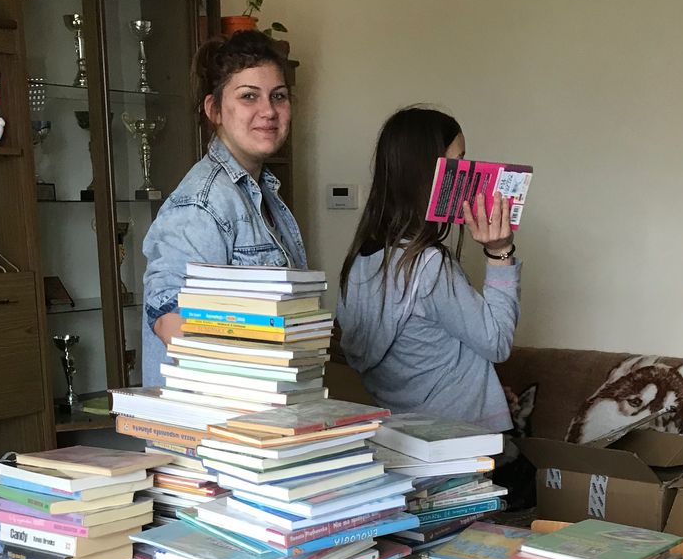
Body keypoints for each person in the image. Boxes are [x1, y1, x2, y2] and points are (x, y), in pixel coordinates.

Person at [335, 106, 520, 430]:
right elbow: (497, 342)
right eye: (459, 162)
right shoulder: (427, 265)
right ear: (429, 172)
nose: (468, 174)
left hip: (410, 438)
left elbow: (421, 353)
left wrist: (485, 387)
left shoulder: (359, 264)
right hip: (464, 439)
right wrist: (499, 252)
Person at [140, 30, 306, 385]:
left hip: (267, 407)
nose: (269, 111)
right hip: (220, 413)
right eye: (249, 96)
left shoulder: (262, 193)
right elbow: (171, 321)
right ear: (213, 109)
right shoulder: (202, 203)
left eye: (278, 96)